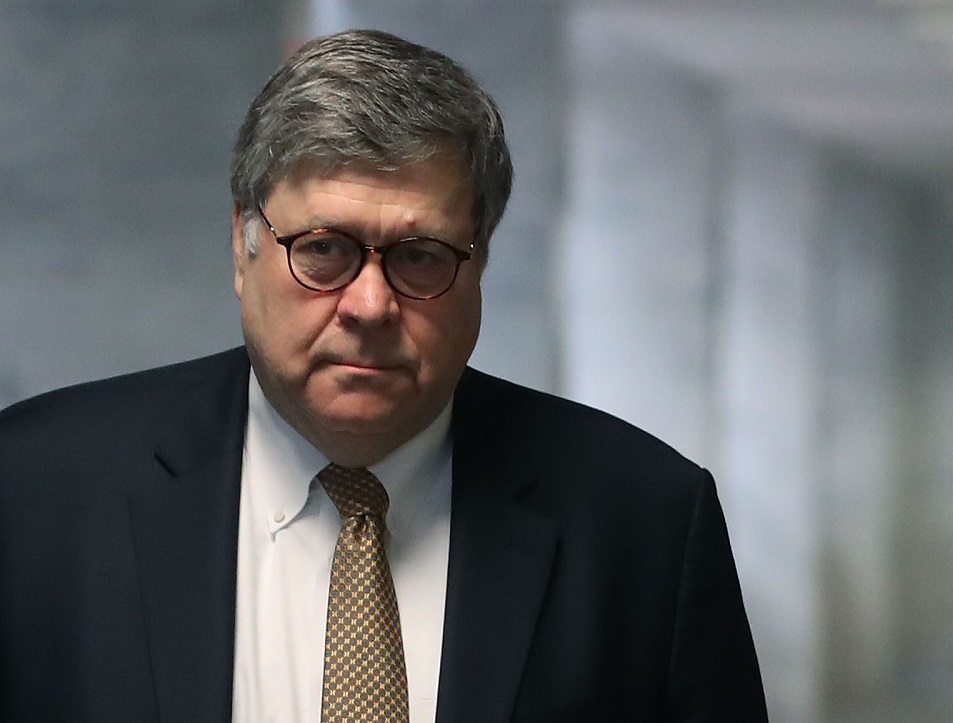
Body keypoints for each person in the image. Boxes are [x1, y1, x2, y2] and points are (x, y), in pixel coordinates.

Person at [0, 29, 767, 722]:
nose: (370, 305)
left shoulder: (646, 523)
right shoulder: (31, 490)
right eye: (324, 249)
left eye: (421, 256)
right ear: (243, 243)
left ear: (481, 261)